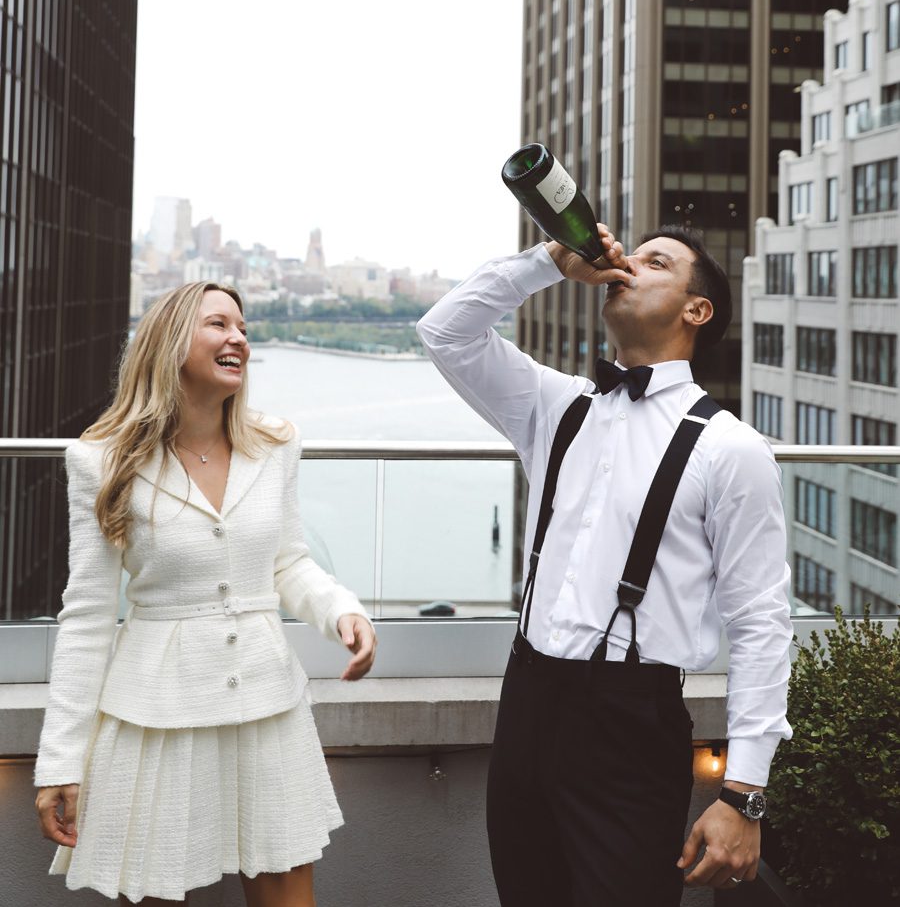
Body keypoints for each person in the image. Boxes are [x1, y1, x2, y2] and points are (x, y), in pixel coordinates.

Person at [417, 226, 792, 906]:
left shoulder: (731, 450)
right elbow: (446, 332)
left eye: (656, 262)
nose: (627, 266)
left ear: (695, 310)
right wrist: (548, 263)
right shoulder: (556, 406)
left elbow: (762, 624)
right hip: (527, 700)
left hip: (631, 724)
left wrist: (743, 793)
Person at [34, 281, 376, 906]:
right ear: (169, 343)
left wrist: (340, 611)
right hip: (157, 719)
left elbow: (288, 562)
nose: (238, 338)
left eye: (242, 327)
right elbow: (84, 618)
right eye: (218, 324)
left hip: (267, 711)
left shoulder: (274, 444)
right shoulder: (100, 462)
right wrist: (60, 764)